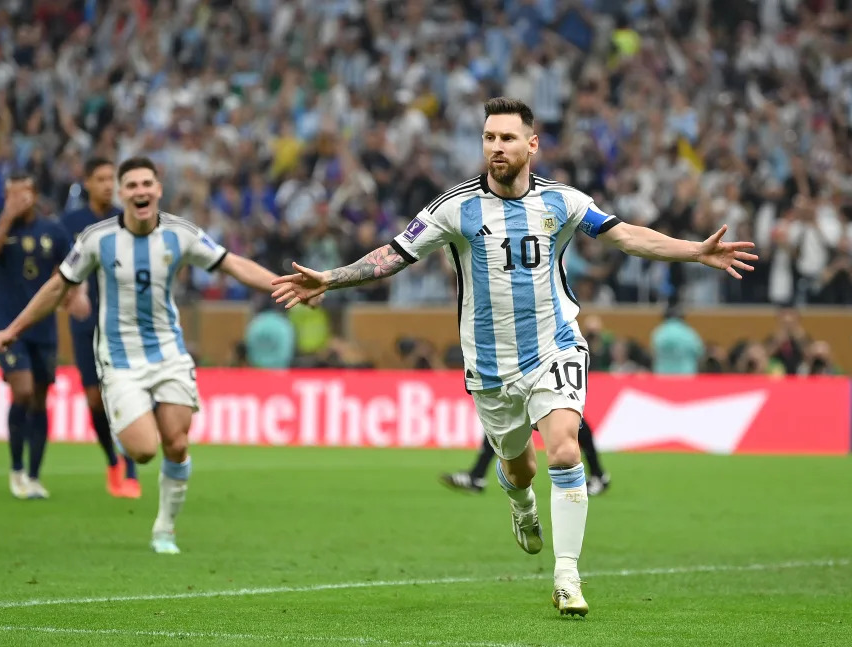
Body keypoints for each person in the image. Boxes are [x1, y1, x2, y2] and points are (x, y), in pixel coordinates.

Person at [271, 97, 757, 617]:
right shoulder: (454, 207)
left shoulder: (562, 202)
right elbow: (394, 254)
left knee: (565, 450)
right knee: (519, 469)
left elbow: (627, 236)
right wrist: (332, 277)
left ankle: (567, 577)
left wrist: (695, 250)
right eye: (488, 138)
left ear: (532, 144)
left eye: (506, 138)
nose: (495, 147)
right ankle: (521, 505)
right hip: (490, 365)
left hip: (555, 345)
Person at [0, 157, 308, 554]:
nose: (140, 191)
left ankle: (165, 528)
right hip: (120, 359)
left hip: (168, 353)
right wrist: (14, 329)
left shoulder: (181, 233)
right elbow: (56, 287)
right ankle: (126, 428)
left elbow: (233, 264)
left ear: (158, 189)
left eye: (147, 184)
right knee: (142, 451)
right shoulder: (95, 239)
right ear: (122, 194)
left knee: (176, 443)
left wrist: (288, 283)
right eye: (132, 185)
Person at [0, 171, 79, 500]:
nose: (16, 202)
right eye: (10, 196)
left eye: (22, 195)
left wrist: (75, 296)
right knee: (21, 391)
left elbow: (74, 268)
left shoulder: (53, 230)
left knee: (39, 398)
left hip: (44, 328)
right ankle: (16, 469)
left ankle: (34, 475)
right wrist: (6, 218)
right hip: (8, 327)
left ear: (34, 195)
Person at [61, 157, 140, 499]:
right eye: (102, 179)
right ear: (88, 183)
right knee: (94, 398)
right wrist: (71, 295)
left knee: (123, 393)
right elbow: (60, 270)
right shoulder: (70, 223)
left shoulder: (129, 220)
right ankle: (111, 461)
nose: (108, 185)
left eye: (113, 179)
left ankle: (133, 467)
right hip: (84, 321)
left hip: (122, 320)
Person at [440, 416, 610, 496]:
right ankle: (477, 476)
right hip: (530, 366)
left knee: (571, 421)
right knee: (502, 420)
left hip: (549, 362)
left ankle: (599, 475)